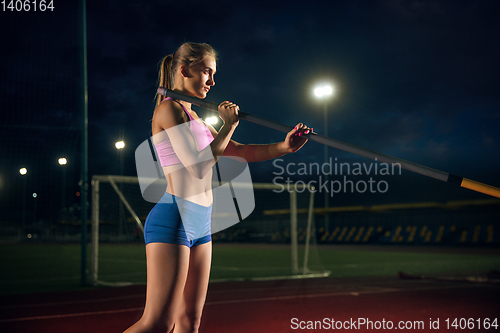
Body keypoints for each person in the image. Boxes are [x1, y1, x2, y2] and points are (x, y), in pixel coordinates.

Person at [124, 42, 310, 333]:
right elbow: (197, 167)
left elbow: (242, 152)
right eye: (206, 72)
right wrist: (228, 125)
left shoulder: (195, 118)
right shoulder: (168, 110)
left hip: (201, 222)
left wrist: (285, 147)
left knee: (190, 323)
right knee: (158, 324)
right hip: (174, 220)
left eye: (213, 74)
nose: (212, 82)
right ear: (185, 70)